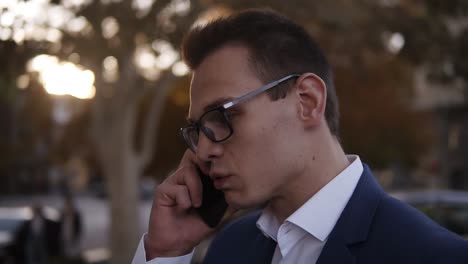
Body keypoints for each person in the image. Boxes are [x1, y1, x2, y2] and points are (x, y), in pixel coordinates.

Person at [133, 9, 468, 264]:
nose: (203, 150)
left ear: (307, 101)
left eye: (223, 115)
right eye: (197, 130)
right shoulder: (231, 247)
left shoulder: (435, 255)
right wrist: (166, 252)